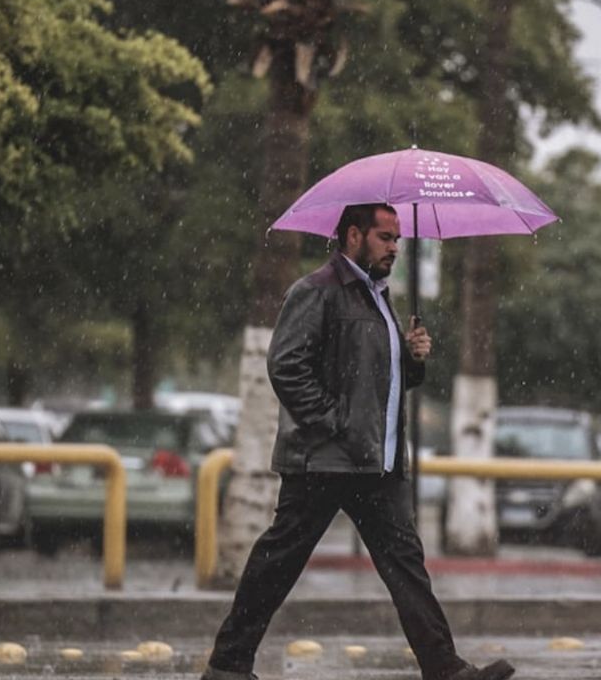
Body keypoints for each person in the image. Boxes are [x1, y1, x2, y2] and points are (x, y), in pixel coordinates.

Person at [201, 203, 514, 680]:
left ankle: (444, 669)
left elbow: (375, 383)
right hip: (324, 461)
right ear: (353, 235)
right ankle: (228, 665)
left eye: (397, 239)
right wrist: (334, 423)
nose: (394, 248)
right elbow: (286, 366)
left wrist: (411, 358)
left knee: (406, 566)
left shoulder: (377, 297)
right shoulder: (317, 291)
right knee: (278, 562)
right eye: (385, 237)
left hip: (376, 465)